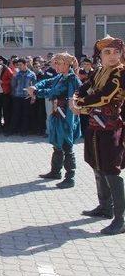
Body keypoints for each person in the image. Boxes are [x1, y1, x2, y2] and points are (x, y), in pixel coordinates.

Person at [73, 36, 125, 235]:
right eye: (107, 52)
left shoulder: (120, 73)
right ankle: (105, 207)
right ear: (100, 55)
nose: (113, 56)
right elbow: (83, 88)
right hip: (95, 125)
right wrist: (76, 98)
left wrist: (80, 104)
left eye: (116, 52)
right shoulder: (99, 71)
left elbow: (105, 96)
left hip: (112, 127)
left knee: (111, 170)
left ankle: (121, 219)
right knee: (96, 164)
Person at [27, 52, 81, 189]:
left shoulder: (71, 79)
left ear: (67, 64)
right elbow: (48, 81)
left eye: (59, 63)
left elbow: (54, 92)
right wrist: (36, 86)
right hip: (57, 114)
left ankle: (70, 178)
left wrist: (36, 92)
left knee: (67, 147)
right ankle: (55, 171)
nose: (55, 65)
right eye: (55, 63)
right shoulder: (60, 77)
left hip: (67, 117)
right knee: (57, 144)